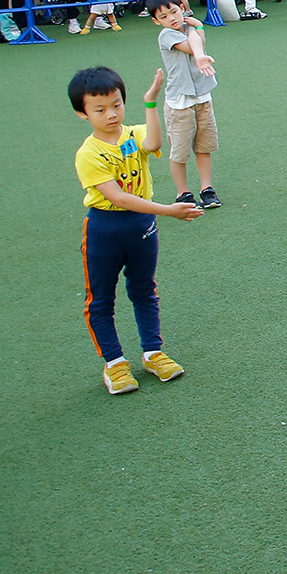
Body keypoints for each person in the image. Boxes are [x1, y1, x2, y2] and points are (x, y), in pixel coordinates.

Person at [67, 64, 206, 395]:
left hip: (142, 226)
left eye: (116, 104)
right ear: (81, 113)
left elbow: (155, 140)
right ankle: (114, 363)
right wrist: (168, 211)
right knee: (101, 298)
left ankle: (153, 353)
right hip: (105, 228)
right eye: (99, 109)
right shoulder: (88, 154)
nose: (111, 114)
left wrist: (150, 103)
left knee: (144, 289)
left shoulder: (132, 134)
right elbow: (118, 197)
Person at [147, 0, 223, 210]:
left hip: (202, 98)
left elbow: (200, 42)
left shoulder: (188, 28)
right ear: (156, 21)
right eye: (164, 17)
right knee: (179, 151)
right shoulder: (167, 35)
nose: (171, 18)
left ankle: (207, 189)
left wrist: (197, 27)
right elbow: (192, 46)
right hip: (180, 103)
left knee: (204, 146)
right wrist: (197, 29)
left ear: (181, 8)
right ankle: (183, 193)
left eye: (173, 12)